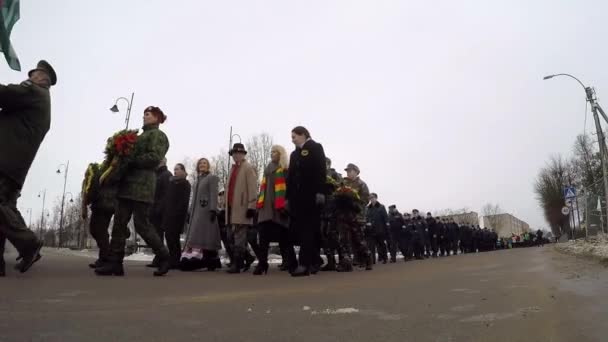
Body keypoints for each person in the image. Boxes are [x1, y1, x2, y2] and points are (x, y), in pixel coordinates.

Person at [95, 106, 171, 277]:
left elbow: (154, 158)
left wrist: (130, 160)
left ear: (157, 118)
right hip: (127, 185)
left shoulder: (158, 136)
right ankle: (115, 262)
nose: (144, 116)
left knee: (142, 225)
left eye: (148, 114)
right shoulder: (138, 136)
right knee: (119, 224)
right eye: (144, 114)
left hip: (142, 186)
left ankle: (164, 256)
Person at [0, 60, 56, 276]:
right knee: (5, 211)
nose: (28, 78)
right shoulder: (42, 101)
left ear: (42, 78)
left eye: (32, 74)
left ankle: (29, 243)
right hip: (15, 165)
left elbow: (6, 94)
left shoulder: (34, 91)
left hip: (5, 160)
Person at [286, 126, 327, 277]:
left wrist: (320, 192)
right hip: (296, 199)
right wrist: (287, 198)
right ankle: (315, 260)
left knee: (307, 230)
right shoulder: (294, 154)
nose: (292, 139)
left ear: (303, 135)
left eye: (294, 136)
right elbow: (290, 177)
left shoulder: (315, 147)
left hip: (311, 197)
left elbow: (321, 170)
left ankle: (304, 264)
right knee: (300, 231)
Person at [254, 145, 296, 275]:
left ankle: (291, 262)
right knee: (263, 237)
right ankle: (262, 264)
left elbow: (289, 190)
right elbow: (263, 189)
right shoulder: (267, 169)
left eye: (275, 152)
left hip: (280, 207)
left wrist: (285, 205)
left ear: (280, 154)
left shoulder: (285, 170)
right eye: (271, 152)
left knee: (284, 236)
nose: (272, 154)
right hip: (266, 206)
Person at [181, 158, 221, 271]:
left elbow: (214, 193)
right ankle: (208, 260)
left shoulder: (211, 178)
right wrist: (190, 211)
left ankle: (208, 259)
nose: (202, 165)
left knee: (205, 235)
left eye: (204, 163)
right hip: (196, 212)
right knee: (198, 234)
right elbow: (194, 198)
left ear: (208, 166)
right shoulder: (197, 180)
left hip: (206, 212)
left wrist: (213, 209)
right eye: (200, 163)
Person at [225, 143, 258, 274]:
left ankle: (237, 264)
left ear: (243, 154)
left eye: (239, 153)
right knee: (230, 236)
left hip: (242, 207)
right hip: (231, 207)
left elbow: (252, 188)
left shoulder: (248, 168)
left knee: (239, 236)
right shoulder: (232, 169)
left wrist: (251, 206)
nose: (236, 155)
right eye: (234, 153)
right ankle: (248, 257)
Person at [335, 163, 372, 271]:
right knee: (343, 240)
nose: (348, 173)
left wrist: (354, 203)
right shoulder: (343, 183)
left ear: (356, 172)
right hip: (343, 215)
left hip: (356, 216)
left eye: (351, 171)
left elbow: (365, 200)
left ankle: (367, 258)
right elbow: (336, 194)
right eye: (347, 171)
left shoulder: (362, 184)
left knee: (358, 240)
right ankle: (346, 263)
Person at [81, 161, 118, 269]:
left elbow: (91, 191)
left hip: (104, 204)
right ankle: (104, 257)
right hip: (104, 203)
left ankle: (106, 258)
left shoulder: (105, 172)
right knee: (99, 231)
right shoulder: (104, 172)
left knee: (98, 230)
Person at [162, 163, 191, 269]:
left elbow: (184, 201)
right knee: (169, 237)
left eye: (178, 169)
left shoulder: (185, 184)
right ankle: (173, 258)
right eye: (174, 169)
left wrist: (178, 213)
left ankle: (176, 259)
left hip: (177, 215)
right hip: (168, 214)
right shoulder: (171, 183)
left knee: (174, 237)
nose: (175, 171)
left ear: (183, 171)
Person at [148, 158, 173, 268]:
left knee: (158, 235)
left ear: (163, 162)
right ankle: (158, 257)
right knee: (155, 234)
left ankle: (161, 257)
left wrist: (159, 209)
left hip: (160, 211)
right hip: (153, 209)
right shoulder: (155, 175)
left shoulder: (166, 175)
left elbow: (166, 195)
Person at [366, 193, 389, 264]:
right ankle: (372, 260)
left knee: (381, 244)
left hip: (380, 229)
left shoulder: (381, 207)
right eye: (370, 198)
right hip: (371, 230)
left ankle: (385, 258)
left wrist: (387, 226)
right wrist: (367, 223)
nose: (371, 199)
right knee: (371, 246)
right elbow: (367, 217)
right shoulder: (368, 208)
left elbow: (385, 217)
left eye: (373, 197)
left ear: (376, 198)